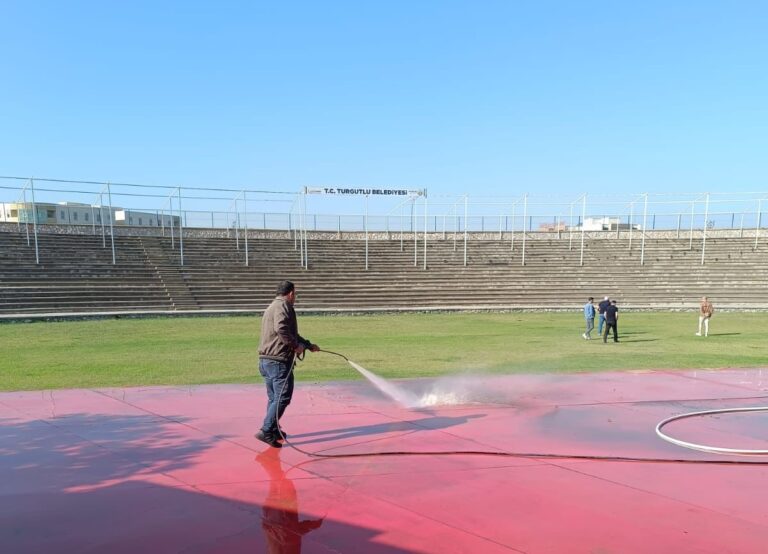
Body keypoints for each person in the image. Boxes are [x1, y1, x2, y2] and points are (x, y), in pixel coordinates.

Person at [256, 280, 319, 449]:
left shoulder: (273, 306)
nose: (295, 297)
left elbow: (290, 333)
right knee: (283, 396)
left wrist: (307, 344)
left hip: (266, 360)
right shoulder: (283, 306)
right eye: (295, 294)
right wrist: (295, 346)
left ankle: (274, 428)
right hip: (278, 361)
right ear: (291, 293)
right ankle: (267, 430)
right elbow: (282, 329)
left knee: (274, 397)